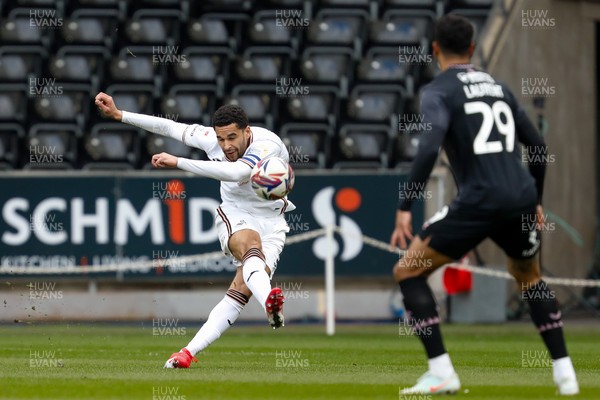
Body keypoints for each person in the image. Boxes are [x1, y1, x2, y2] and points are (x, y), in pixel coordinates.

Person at [390, 14, 578, 396]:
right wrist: (537, 200)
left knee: (408, 272)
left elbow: (428, 146)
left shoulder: (439, 91)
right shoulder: (499, 88)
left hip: (479, 200)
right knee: (529, 278)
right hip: (521, 197)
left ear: (436, 49)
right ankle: (566, 375)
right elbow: (538, 147)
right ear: (473, 49)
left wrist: (405, 204)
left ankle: (442, 372)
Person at [95, 93, 293, 368]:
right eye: (221, 139)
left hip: (273, 220)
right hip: (237, 214)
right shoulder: (213, 139)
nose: (226, 146)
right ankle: (269, 303)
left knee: (239, 291)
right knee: (251, 250)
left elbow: (237, 173)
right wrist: (121, 115)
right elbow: (169, 127)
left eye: (232, 138)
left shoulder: (266, 144)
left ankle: (187, 352)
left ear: (247, 132)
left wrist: (179, 163)